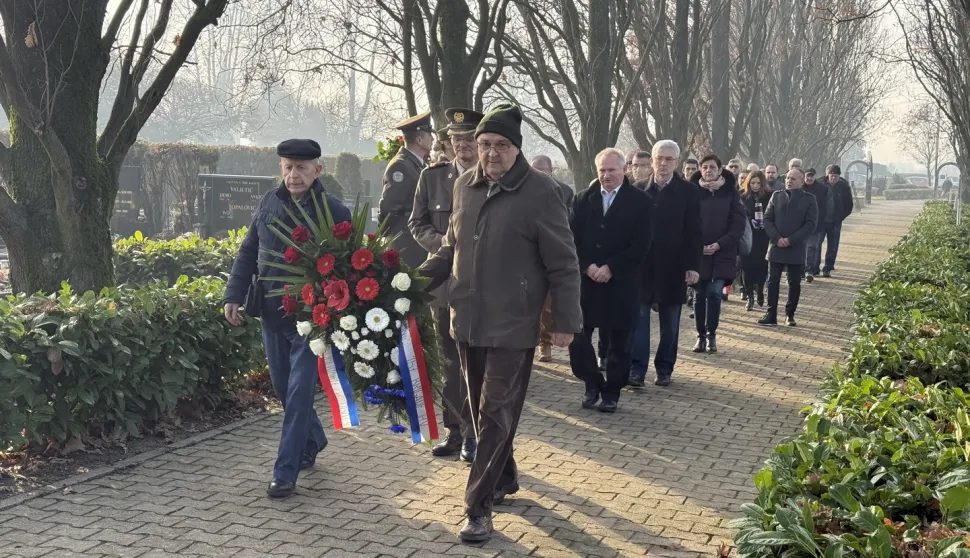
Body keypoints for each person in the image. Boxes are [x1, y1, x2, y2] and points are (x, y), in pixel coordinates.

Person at [417, 104, 582, 543]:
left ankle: (478, 507)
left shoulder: (541, 192)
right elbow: (450, 249)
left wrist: (565, 320)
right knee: (481, 412)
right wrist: (409, 286)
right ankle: (504, 477)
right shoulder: (463, 187)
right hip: (466, 319)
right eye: (485, 144)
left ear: (517, 148)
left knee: (493, 412)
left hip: (513, 322)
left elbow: (564, 263)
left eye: (501, 145)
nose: (491, 153)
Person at [224, 139, 352, 499]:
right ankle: (313, 438)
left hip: (310, 318)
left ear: (317, 170)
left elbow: (348, 268)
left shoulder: (334, 211)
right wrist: (233, 295)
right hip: (271, 312)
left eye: (301, 168)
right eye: (287, 167)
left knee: (297, 394)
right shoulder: (269, 202)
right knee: (282, 387)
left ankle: (285, 472)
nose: (294, 175)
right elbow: (248, 250)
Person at [409, 108, 484, 464]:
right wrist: (443, 244)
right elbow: (417, 222)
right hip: (443, 286)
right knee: (450, 364)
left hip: (481, 286)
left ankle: (474, 432)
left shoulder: (493, 178)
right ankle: (455, 431)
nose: (462, 145)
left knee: (477, 363)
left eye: (468, 138)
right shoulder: (433, 177)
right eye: (456, 139)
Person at [569, 148, 652, 413]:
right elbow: (571, 239)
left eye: (612, 170)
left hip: (622, 283)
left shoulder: (641, 202)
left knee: (620, 343)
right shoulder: (583, 199)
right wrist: (587, 266)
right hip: (587, 283)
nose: (606, 175)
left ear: (624, 170)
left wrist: (611, 268)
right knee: (578, 338)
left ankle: (612, 392)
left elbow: (641, 244)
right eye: (602, 170)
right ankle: (591, 383)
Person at [629, 140, 702, 388]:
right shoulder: (638, 189)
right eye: (659, 158)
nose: (663, 163)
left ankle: (664, 368)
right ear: (651, 161)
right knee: (639, 319)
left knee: (670, 323)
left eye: (669, 159)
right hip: (643, 266)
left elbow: (694, 231)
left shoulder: (689, 192)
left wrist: (693, 266)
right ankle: (637, 369)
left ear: (677, 162)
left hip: (673, 265)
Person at [688, 155, 745, 354]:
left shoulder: (731, 193)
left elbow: (738, 224)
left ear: (720, 170)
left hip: (723, 252)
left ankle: (711, 334)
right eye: (704, 167)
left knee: (714, 293)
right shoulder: (692, 192)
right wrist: (697, 245)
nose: (708, 170)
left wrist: (720, 244)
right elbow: (686, 222)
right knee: (699, 294)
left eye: (712, 167)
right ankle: (700, 336)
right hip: (698, 253)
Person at [758, 167, 818, 327]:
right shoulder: (776, 196)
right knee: (772, 281)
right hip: (776, 246)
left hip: (796, 247)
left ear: (802, 181)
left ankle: (790, 314)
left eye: (793, 179)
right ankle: (771, 314)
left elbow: (810, 224)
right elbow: (767, 219)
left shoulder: (809, 199)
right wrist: (777, 238)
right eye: (787, 178)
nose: (789, 181)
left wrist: (791, 240)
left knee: (794, 282)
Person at [532, 154, 576, 362]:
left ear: (551, 171)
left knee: (548, 305)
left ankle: (545, 343)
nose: (538, 175)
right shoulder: (522, 189)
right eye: (534, 170)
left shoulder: (564, 191)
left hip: (552, 253)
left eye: (542, 171)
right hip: (528, 255)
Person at [378, 111, 436, 268]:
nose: (432, 138)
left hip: (414, 236)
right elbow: (389, 206)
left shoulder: (416, 164)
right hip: (404, 238)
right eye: (429, 134)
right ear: (419, 139)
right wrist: (390, 235)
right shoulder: (401, 165)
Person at [740, 171, 771, 310]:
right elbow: (739, 215)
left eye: (758, 183)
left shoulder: (769, 196)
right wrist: (749, 220)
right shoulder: (743, 197)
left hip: (763, 236)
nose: (755, 186)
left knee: (762, 266)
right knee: (746, 266)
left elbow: (773, 214)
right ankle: (749, 296)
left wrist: (766, 222)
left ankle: (760, 290)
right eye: (752, 183)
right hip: (748, 235)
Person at [818, 164, 854, 277]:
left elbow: (849, 205)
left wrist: (840, 217)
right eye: (831, 175)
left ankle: (828, 268)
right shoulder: (819, 184)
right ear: (827, 175)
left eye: (836, 176)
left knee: (833, 246)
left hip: (835, 222)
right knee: (816, 244)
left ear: (839, 176)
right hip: (820, 221)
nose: (833, 178)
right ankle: (814, 266)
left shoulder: (844, 186)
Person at [802, 168, 829, 282]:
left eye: (811, 176)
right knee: (801, 247)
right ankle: (800, 270)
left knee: (812, 247)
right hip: (800, 224)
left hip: (816, 224)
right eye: (807, 176)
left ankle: (809, 270)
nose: (809, 178)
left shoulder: (822, 189)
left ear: (815, 177)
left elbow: (825, 207)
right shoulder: (799, 187)